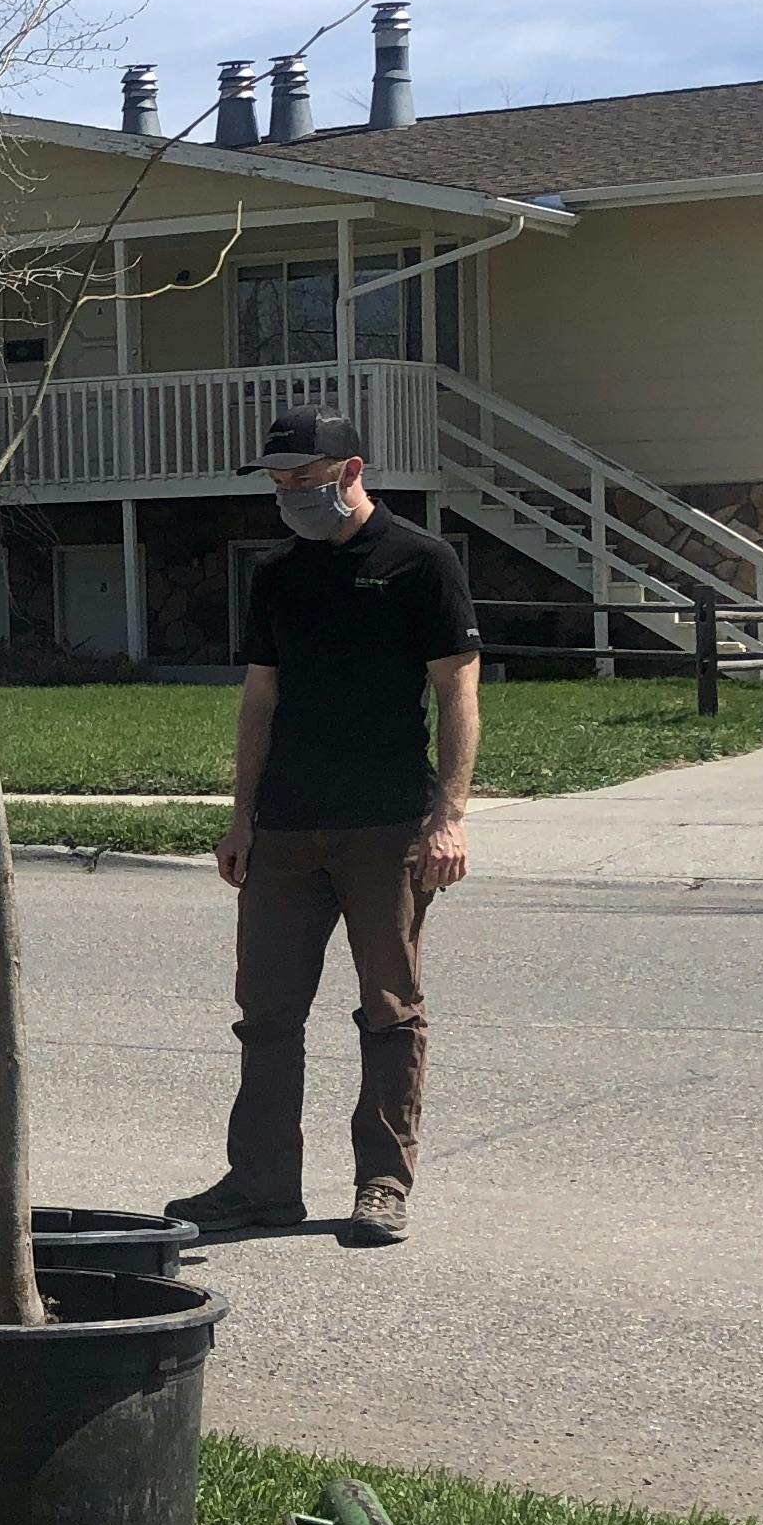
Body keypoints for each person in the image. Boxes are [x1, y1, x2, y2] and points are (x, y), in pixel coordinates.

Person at [175, 409, 481, 1245]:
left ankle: (382, 1183)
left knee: (390, 1009)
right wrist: (242, 817)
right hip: (284, 831)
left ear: (350, 468)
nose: (289, 496)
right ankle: (261, 1184)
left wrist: (448, 817)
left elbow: (459, 690)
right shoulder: (276, 575)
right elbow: (260, 698)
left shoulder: (422, 562)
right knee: (266, 1012)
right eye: (277, 482)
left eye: (303, 479)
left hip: (388, 825)